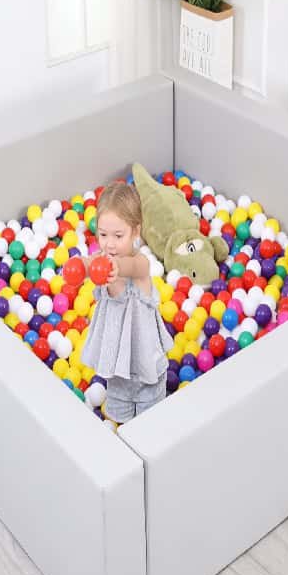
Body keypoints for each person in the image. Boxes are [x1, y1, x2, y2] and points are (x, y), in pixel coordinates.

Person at [80, 182, 173, 424]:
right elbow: (89, 263)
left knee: (150, 425)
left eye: (118, 236)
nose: (109, 244)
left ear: (136, 232)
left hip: (146, 372)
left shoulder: (140, 264)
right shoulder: (102, 260)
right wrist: (79, 266)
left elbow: (131, 267)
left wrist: (116, 267)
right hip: (117, 372)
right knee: (118, 422)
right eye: (103, 235)